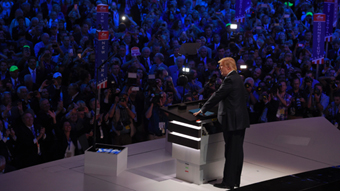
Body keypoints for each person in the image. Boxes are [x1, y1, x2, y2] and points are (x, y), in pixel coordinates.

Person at [193, 57, 249, 190]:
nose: (220, 69)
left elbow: (217, 95)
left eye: (221, 67)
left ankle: (228, 182)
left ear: (228, 67)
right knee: (237, 151)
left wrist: (203, 109)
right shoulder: (238, 78)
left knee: (231, 152)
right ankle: (235, 181)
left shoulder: (229, 79)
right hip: (239, 120)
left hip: (232, 121)